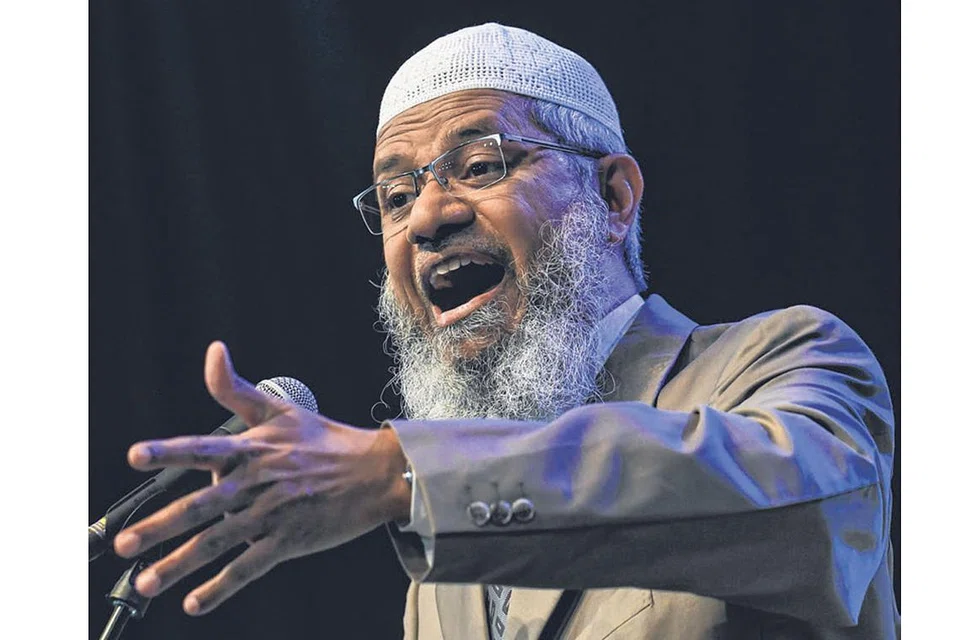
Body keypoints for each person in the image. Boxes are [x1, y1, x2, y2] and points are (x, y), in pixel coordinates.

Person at [112, 23, 899, 639]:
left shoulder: (780, 361)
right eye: (394, 197)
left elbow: (815, 514)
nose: (427, 217)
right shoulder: (436, 573)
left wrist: (401, 474)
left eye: (481, 166)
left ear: (614, 197)